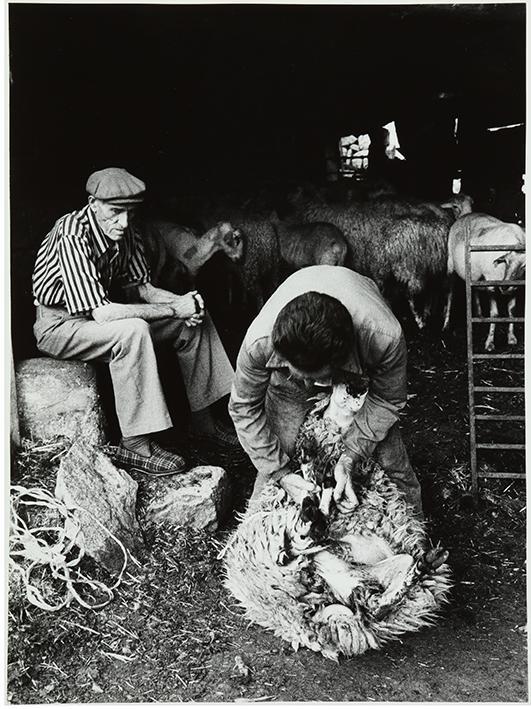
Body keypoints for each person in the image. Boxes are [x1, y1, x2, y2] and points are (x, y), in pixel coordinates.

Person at [32, 167, 237, 476]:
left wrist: (184, 304)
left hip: (96, 318)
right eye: (115, 212)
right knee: (133, 330)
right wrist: (173, 310)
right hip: (60, 325)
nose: (124, 222)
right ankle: (135, 442)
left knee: (195, 318)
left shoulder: (126, 229)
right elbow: (103, 313)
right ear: (93, 204)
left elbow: (145, 289)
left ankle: (204, 422)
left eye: (129, 212)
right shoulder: (72, 233)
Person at [228, 265, 422, 515]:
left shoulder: (384, 336)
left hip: (356, 369)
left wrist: (350, 457)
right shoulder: (259, 342)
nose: (311, 388)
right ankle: (253, 539)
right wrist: (280, 472)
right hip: (287, 379)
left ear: (338, 364)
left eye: (316, 378)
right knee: (277, 456)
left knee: (392, 463)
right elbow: (244, 407)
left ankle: (415, 541)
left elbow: (386, 400)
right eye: (302, 376)